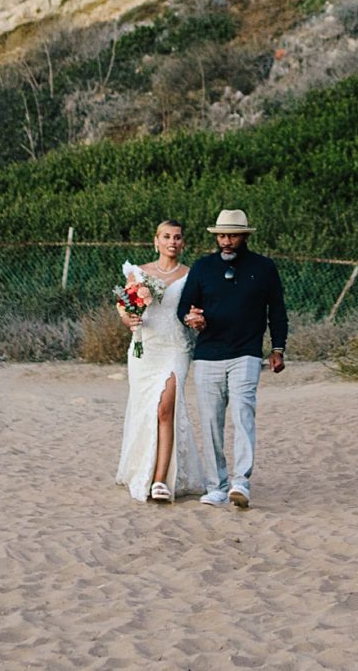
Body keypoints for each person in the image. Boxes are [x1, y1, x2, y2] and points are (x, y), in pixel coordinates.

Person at [178, 208, 287, 509]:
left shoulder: (264, 268)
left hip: (247, 353)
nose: (226, 241)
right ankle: (216, 486)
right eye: (222, 236)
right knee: (211, 421)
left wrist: (278, 349)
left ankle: (240, 482)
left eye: (233, 235)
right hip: (208, 355)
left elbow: (276, 311)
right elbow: (184, 307)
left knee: (243, 415)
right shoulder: (202, 268)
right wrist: (192, 318)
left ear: (244, 236)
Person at [112, 219, 207, 503]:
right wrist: (128, 318)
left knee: (166, 408)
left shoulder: (192, 275)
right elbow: (123, 305)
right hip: (145, 348)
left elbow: (196, 309)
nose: (172, 242)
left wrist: (197, 319)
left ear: (183, 243)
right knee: (145, 409)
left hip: (175, 347)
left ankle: (159, 480)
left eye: (177, 237)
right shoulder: (139, 272)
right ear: (156, 241)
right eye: (166, 236)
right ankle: (141, 468)